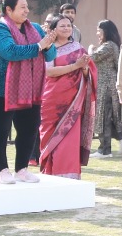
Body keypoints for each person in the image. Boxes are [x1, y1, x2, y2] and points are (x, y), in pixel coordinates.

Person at [0, 0, 50, 185]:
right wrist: (39, 46)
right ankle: (2, 170)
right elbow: (10, 52)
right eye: (22, 7)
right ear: (8, 10)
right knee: (0, 129)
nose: (27, 10)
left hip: (28, 89)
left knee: (29, 128)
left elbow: (50, 55)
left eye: (27, 6)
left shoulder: (34, 29)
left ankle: (22, 170)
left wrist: (48, 45)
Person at [38, 13, 95, 179]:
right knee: (49, 136)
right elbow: (48, 71)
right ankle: (50, 173)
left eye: (69, 25)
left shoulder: (78, 47)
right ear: (53, 29)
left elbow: (88, 73)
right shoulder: (47, 48)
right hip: (52, 99)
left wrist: (84, 67)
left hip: (73, 101)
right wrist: (75, 66)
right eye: (62, 25)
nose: (66, 28)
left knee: (69, 138)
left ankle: (69, 175)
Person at [90, 20, 122, 158]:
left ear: (106, 31)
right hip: (106, 85)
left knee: (104, 116)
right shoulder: (110, 45)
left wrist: (90, 48)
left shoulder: (109, 46)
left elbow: (92, 58)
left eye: (99, 30)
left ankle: (105, 149)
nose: (97, 33)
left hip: (107, 86)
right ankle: (112, 145)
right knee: (108, 116)